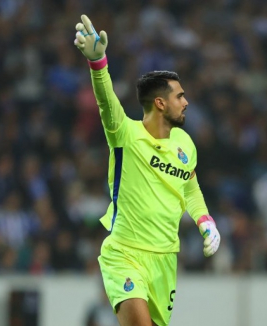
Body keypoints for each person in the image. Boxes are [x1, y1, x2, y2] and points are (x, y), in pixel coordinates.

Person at [73, 15, 221, 326]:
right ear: (160, 103)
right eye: (179, 96)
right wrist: (98, 63)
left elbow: (189, 186)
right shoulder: (124, 134)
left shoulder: (185, 143)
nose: (186, 101)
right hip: (125, 253)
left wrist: (205, 221)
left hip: (165, 259)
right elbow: (106, 102)